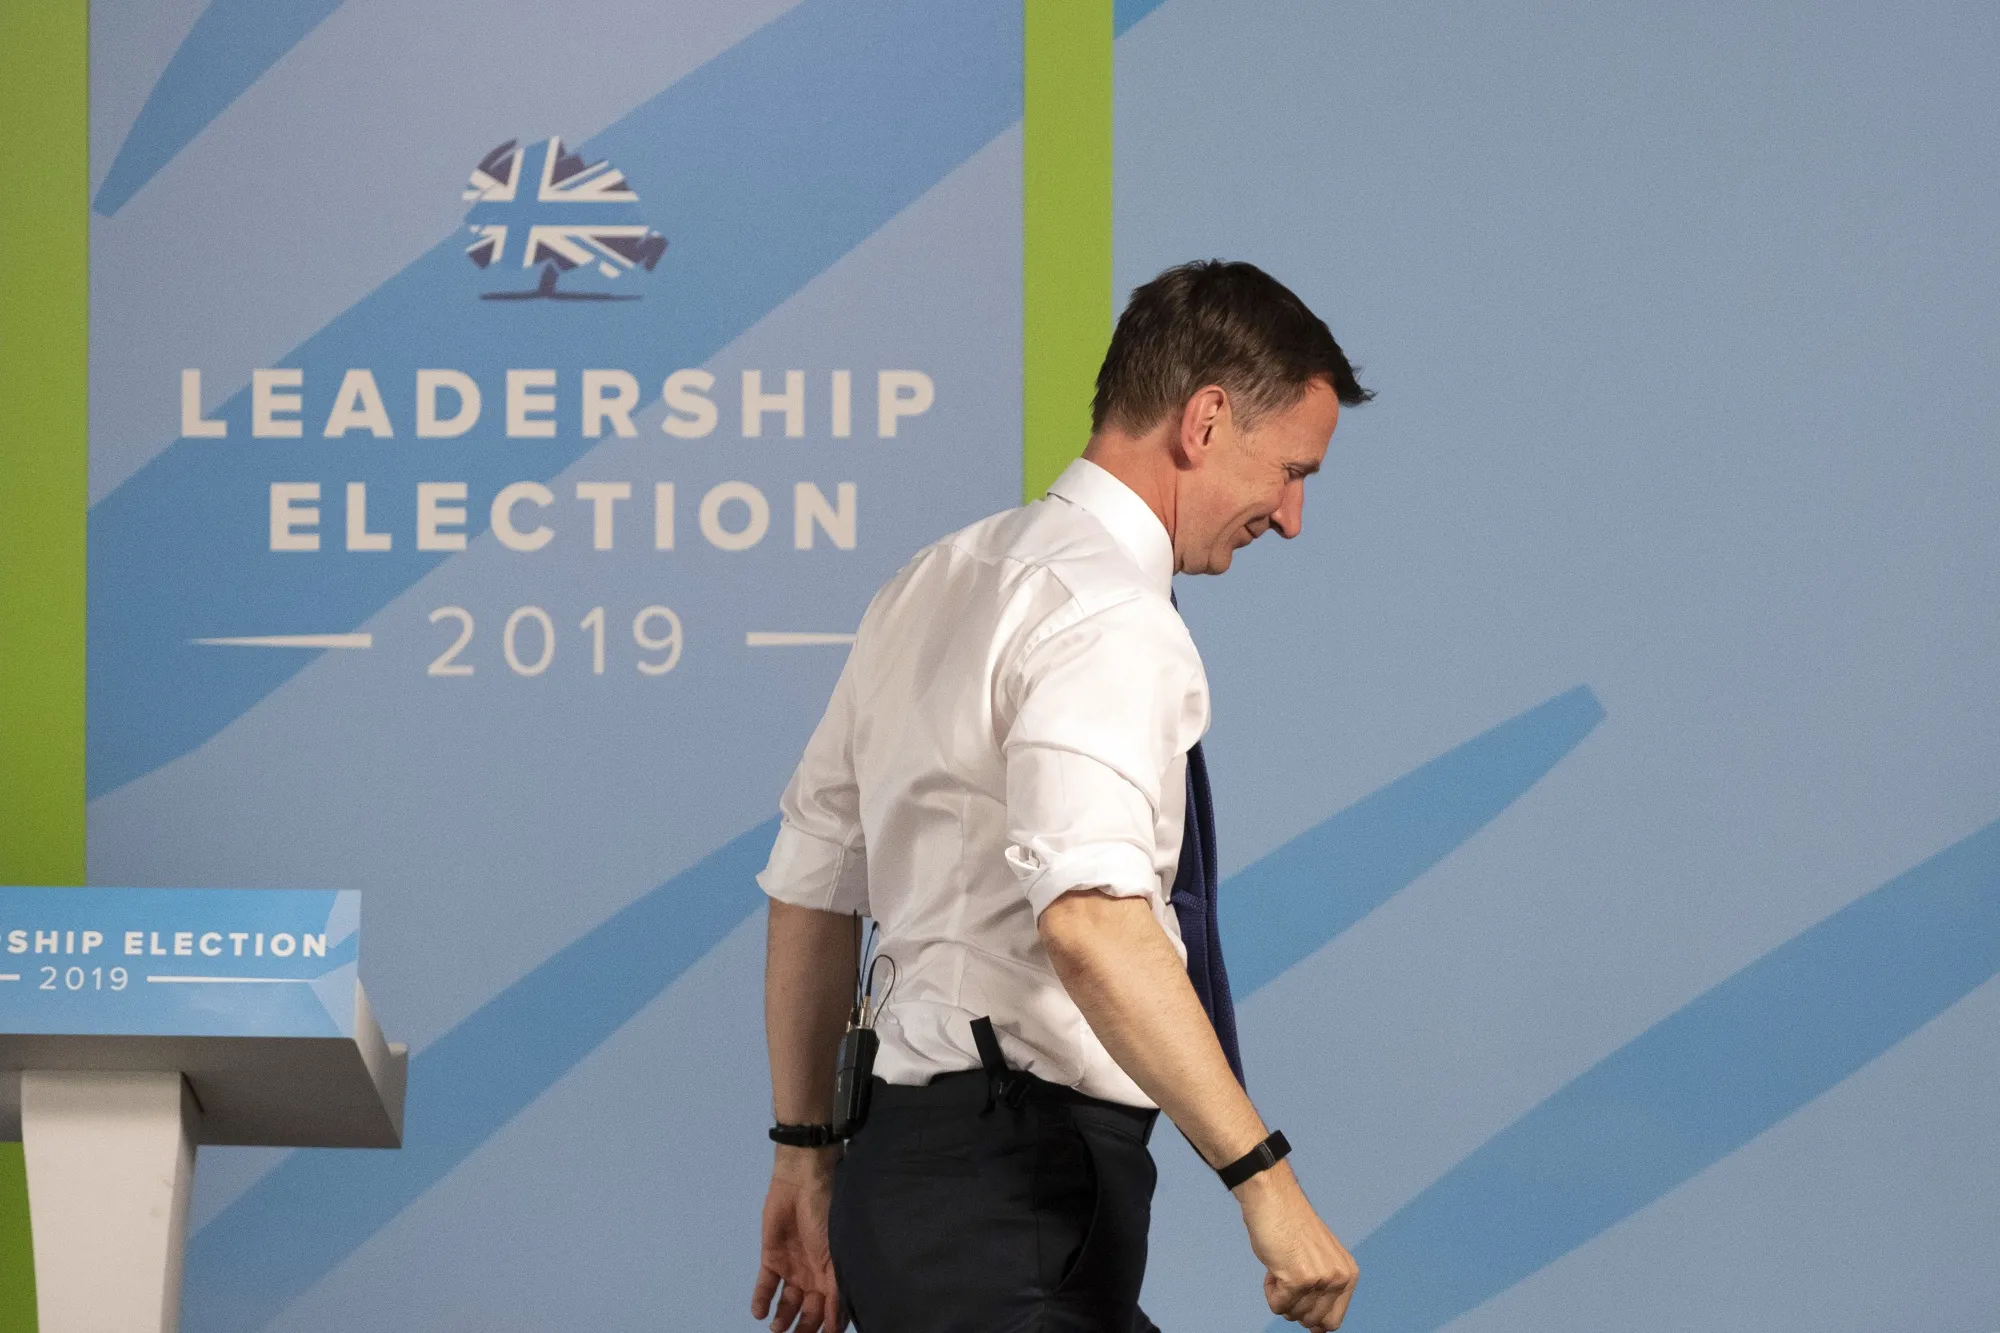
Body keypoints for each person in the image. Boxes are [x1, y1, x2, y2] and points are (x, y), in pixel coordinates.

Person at [751, 260, 1372, 1333]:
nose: (1291, 515)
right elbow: (1089, 919)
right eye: (1289, 471)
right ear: (1205, 421)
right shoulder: (1110, 616)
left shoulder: (932, 580)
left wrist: (807, 1156)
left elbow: (812, 885)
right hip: (1016, 1201)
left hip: (896, 1182)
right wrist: (1266, 1182)